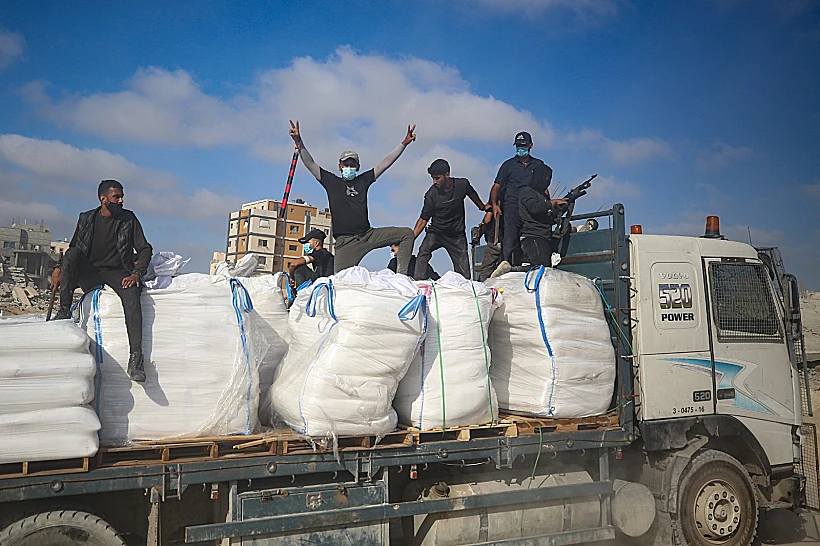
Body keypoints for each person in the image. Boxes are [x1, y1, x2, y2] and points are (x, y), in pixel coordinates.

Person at [51, 180, 152, 382]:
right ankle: (63, 312)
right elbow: (74, 248)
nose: (121, 200)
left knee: (132, 293)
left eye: (122, 196)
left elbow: (144, 248)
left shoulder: (129, 219)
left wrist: (137, 273)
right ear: (103, 198)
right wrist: (59, 269)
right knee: (71, 255)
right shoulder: (87, 218)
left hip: (117, 270)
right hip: (90, 271)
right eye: (117, 197)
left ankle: (136, 359)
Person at [288, 120, 416, 274]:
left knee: (407, 234)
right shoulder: (331, 182)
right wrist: (299, 142)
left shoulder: (363, 180)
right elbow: (310, 164)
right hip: (346, 242)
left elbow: (384, 164)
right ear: (340, 166)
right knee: (340, 281)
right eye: (346, 164)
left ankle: (401, 277)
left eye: (352, 165)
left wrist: (403, 144)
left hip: (368, 234)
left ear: (358, 167)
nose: (349, 167)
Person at [411, 159, 489, 280]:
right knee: (423, 252)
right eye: (432, 178)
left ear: (447, 174)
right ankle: (419, 283)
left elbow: (472, 194)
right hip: (436, 232)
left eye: (437, 178)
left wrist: (482, 207)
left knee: (464, 273)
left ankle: (465, 288)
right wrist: (411, 239)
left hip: (456, 235)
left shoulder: (462, 185)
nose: (434, 181)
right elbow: (423, 220)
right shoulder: (431, 194)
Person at [492, 163, 566, 277]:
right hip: (532, 237)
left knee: (543, 269)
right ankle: (510, 270)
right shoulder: (527, 192)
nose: (547, 181)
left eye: (549, 179)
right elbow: (535, 208)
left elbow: (547, 216)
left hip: (544, 237)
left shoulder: (542, 196)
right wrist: (552, 203)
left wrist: (561, 208)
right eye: (545, 178)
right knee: (540, 267)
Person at [489, 131, 551, 267]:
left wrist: (548, 204)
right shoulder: (508, 165)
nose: (520, 149)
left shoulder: (538, 165)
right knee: (510, 239)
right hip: (512, 207)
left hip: (532, 208)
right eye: (518, 146)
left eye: (523, 145)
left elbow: (544, 188)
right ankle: (504, 265)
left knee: (533, 238)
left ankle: (530, 265)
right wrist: (494, 205)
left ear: (530, 146)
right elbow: (496, 187)